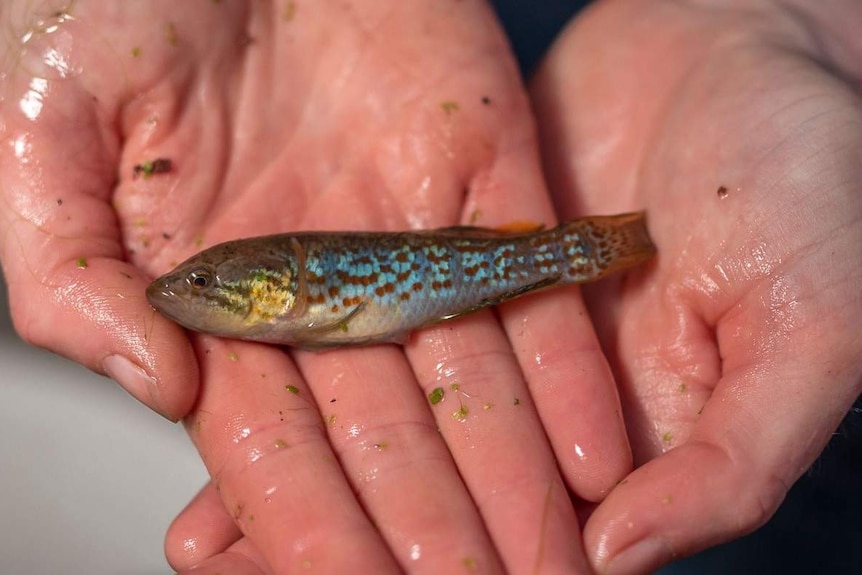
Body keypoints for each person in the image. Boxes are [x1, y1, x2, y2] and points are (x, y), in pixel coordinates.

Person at [0, 1, 858, 574]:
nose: (188, 291)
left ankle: (589, 248)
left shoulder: (293, 297)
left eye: (209, 284)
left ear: (272, 287)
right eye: (202, 283)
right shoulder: (269, 291)